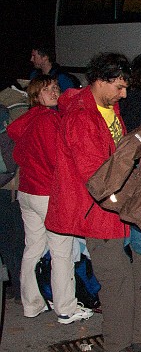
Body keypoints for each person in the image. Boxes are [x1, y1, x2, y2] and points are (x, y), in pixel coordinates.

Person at [45, 53, 141, 352]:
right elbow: (95, 175)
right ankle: (117, 344)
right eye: (119, 87)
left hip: (125, 203)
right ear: (100, 81)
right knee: (117, 279)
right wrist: (129, 198)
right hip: (99, 211)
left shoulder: (110, 108)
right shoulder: (81, 117)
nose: (124, 94)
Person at [7, 77, 89, 322]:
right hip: (48, 194)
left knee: (33, 248)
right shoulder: (50, 120)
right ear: (36, 95)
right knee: (62, 251)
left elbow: (18, 151)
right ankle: (66, 308)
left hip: (27, 192)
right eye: (47, 89)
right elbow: (59, 160)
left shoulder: (27, 120)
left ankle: (32, 304)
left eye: (55, 88)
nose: (54, 92)